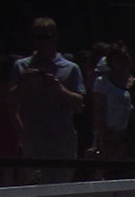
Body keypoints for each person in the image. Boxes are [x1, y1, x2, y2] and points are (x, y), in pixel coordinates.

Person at [11, 17, 85, 181]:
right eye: (37, 38)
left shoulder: (70, 68)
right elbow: (11, 102)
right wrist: (23, 83)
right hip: (34, 138)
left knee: (61, 185)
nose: (42, 43)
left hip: (62, 138)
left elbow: (79, 105)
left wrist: (60, 89)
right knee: (35, 185)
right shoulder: (21, 66)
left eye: (47, 38)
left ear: (55, 38)